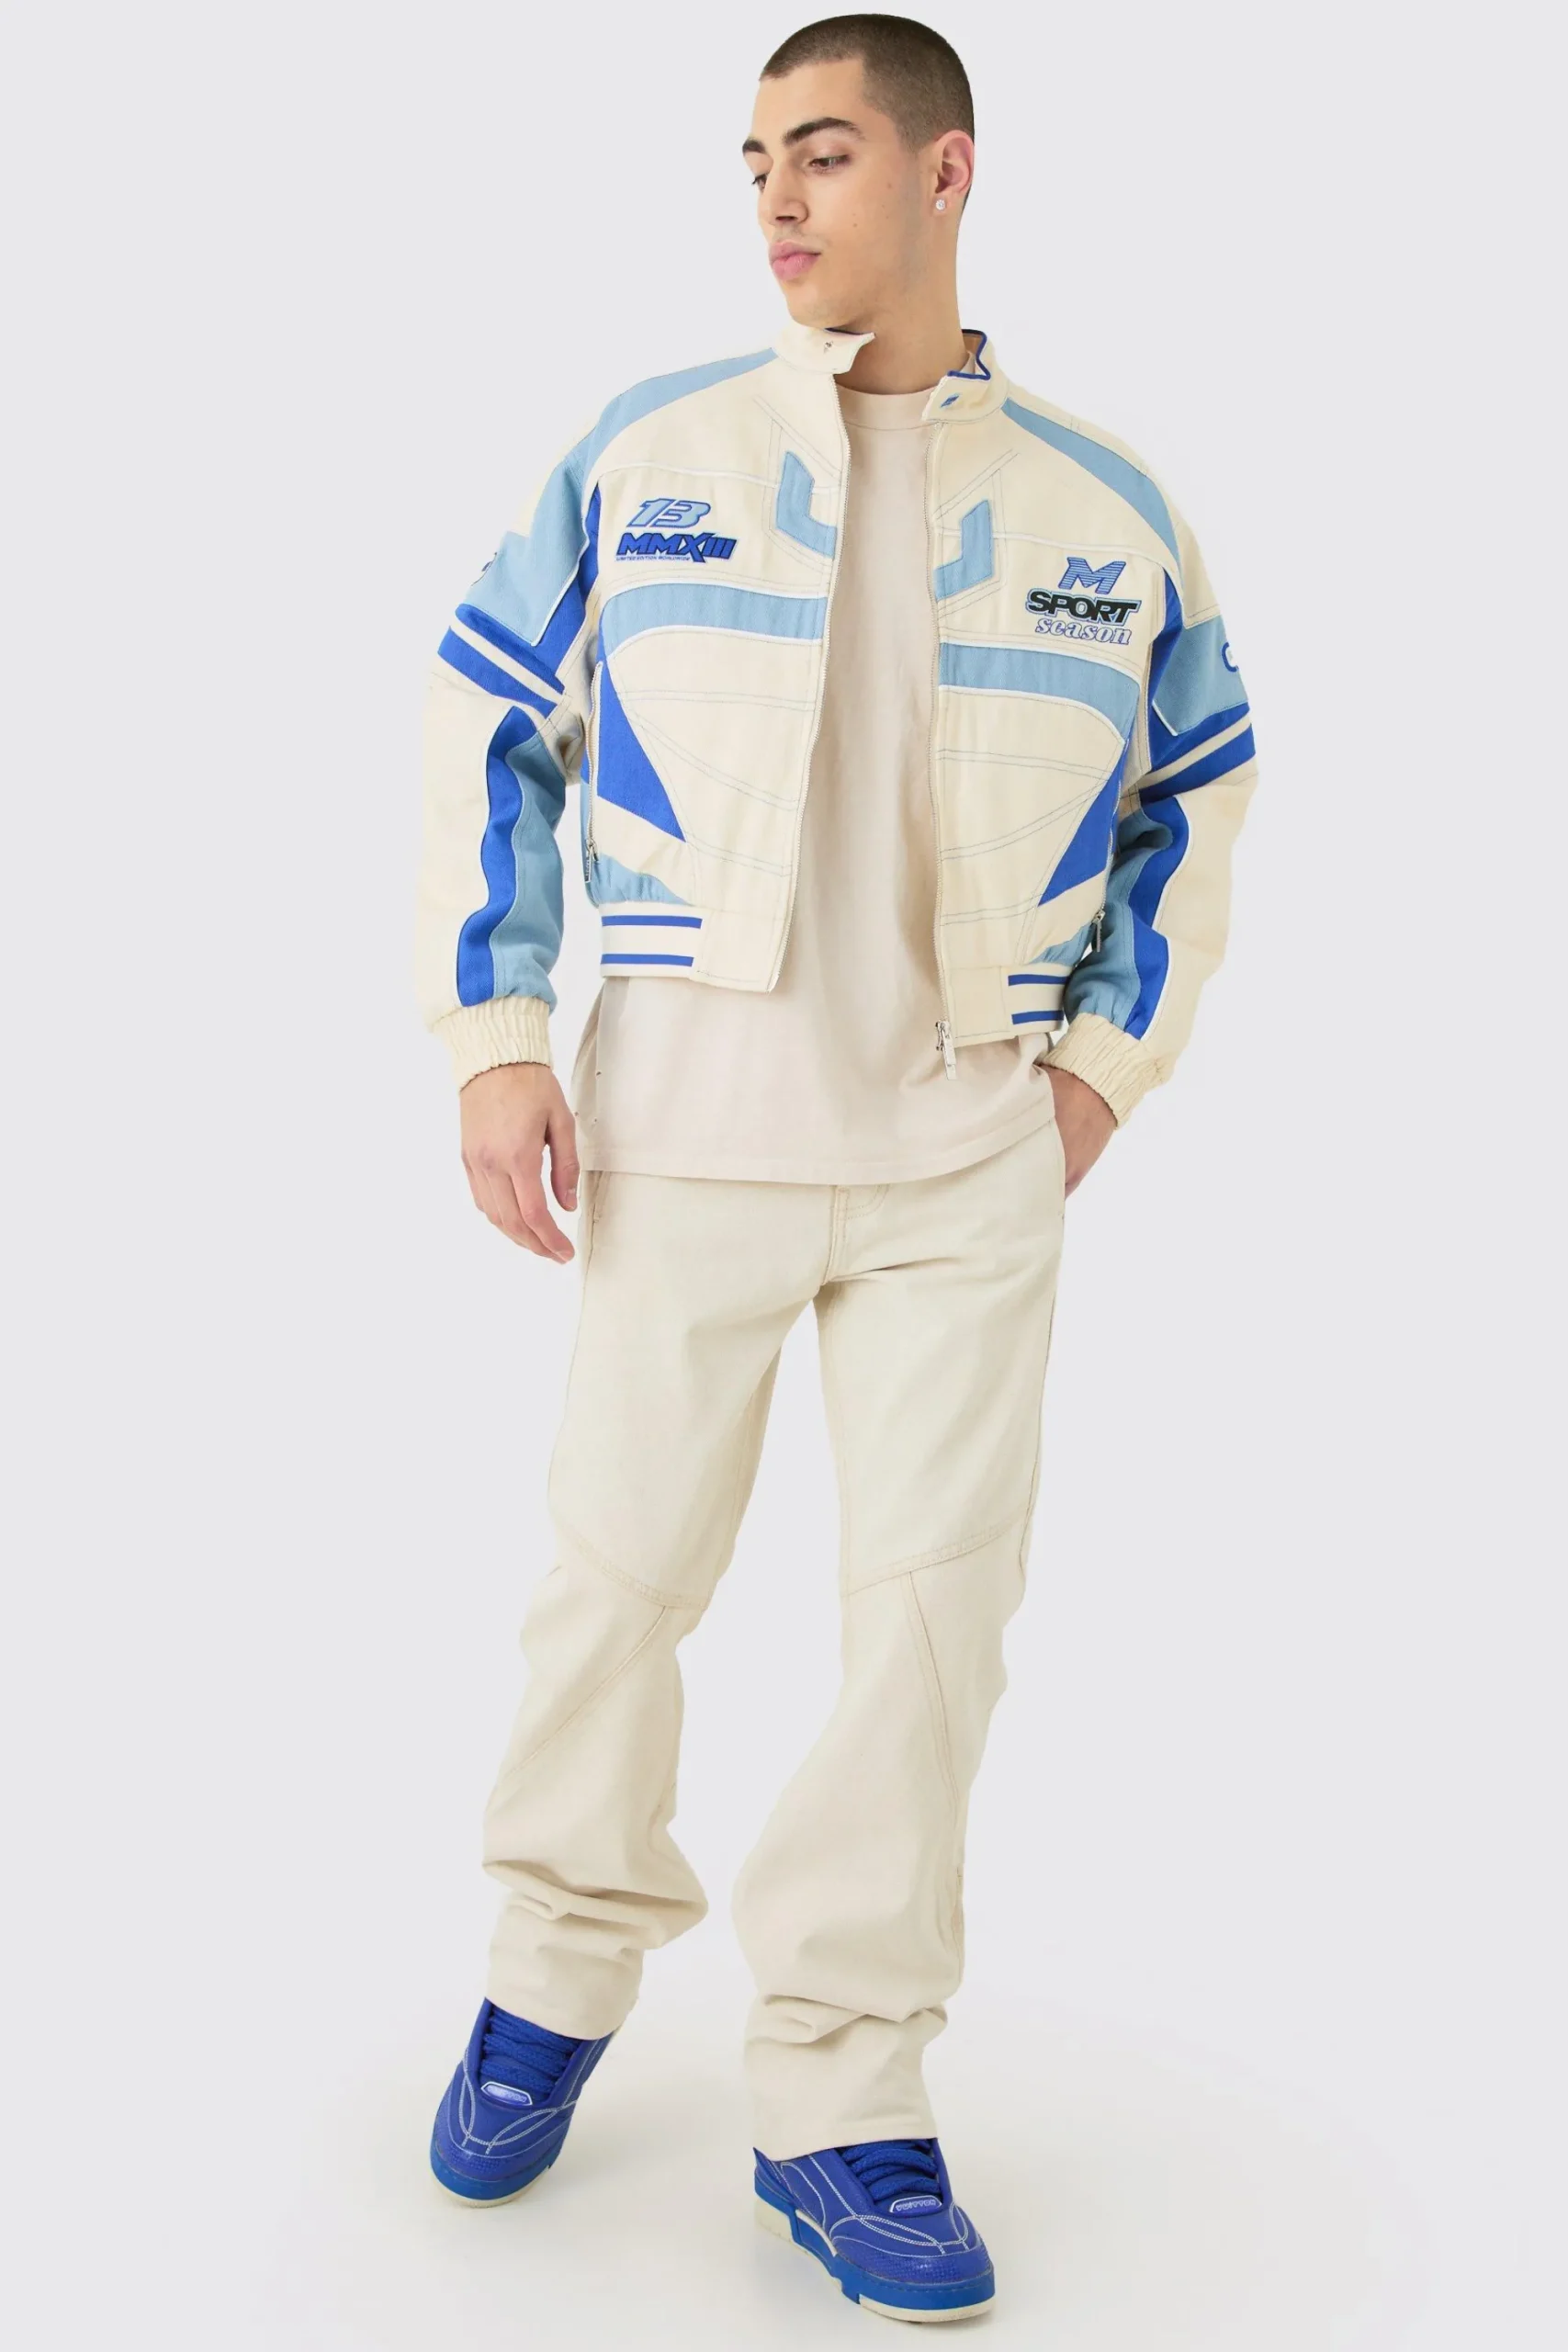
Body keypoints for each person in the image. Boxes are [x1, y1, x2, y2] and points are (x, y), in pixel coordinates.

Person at [413, 13, 1258, 2323]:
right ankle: (552, 1969)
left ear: (944, 172)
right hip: (684, 1126)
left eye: (823, 154)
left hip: (963, 1159)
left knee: (929, 1635)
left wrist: (1101, 1072)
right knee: (615, 1583)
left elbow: (1201, 790)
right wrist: (499, 1033)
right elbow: (492, 720)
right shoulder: (654, 449)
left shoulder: (1104, 503)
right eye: (754, 161)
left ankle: (842, 2090)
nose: (776, 199)